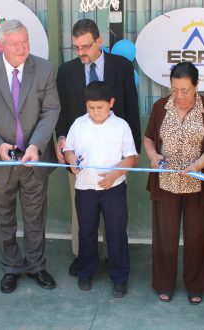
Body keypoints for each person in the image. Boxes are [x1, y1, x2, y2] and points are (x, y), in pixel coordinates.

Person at [0, 20, 60, 294]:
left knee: (35, 216)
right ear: (1, 45)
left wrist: (36, 145)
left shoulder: (43, 69)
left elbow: (51, 110)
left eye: (25, 42)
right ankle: (11, 267)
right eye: (16, 44)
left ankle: (36, 266)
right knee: (2, 217)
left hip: (34, 159)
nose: (22, 48)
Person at [55, 18, 141, 277]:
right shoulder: (66, 71)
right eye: (76, 48)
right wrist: (61, 140)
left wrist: (130, 157)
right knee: (83, 215)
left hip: (115, 158)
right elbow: (62, 111)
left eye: (85, 47)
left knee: (114, 216)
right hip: (80, 156)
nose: (81, 53)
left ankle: (112, 258)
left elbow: (131, 111)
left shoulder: (122, 67)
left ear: (99, 42)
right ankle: (83, 257)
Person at [144, 62, 204, 304]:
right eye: (174, 89)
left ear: (197, 86)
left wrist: (198, 165)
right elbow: (149, 138)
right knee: (164, 237)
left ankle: (196, 286)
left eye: (185, 90)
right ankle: (164, 283)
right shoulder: (160, 107)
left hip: (197, 184)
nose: (179, 95)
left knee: (197, 237)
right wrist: (153, 156)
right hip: (166, 183)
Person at [63, 81, 137, 298]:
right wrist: (71, 161)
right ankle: (85, 271)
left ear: (111, 103)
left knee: (116, 232)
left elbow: (131, 158)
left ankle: (119, 276)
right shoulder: (78, 124)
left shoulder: (121, 125)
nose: (95, 112)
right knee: (86, 231)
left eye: (100, 108)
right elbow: (69, 149)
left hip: (114, 188)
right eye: (91, 107)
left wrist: (116, 173)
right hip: (85, 188)